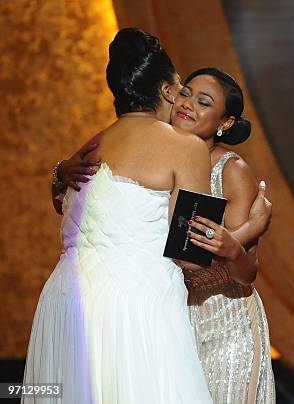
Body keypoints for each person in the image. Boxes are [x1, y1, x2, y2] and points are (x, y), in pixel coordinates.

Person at [23, 28, 215, 403]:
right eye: (180, 87)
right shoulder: (187, 147)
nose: (183, 98)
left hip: (66, 302)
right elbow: (192, 254)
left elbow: (61, 200)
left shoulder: (91, 145)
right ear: (166, 91)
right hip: (138, 305)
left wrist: (57, 172)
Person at [170, 67, 276, 403]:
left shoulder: (230, 170)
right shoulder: (159, 161)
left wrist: (234, 245)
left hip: (228, 323)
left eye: (203, 102)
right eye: (185, 93)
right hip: (172, 319)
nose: (188, 104)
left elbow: (248, 273)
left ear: (224, 123)